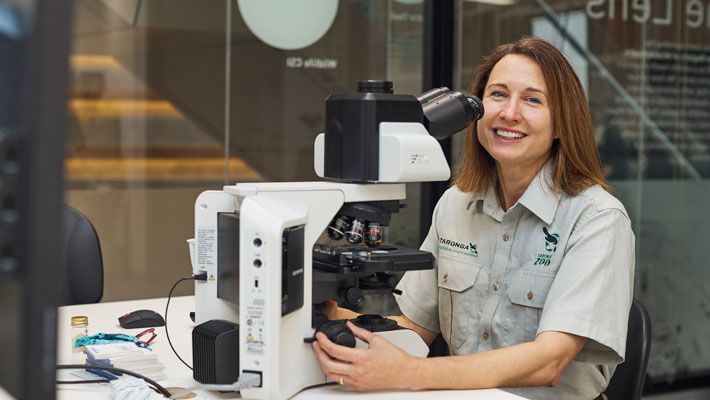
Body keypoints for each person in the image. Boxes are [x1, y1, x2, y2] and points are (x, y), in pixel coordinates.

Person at [311, 36, 635, 400]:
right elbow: (416, 329)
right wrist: (329, 318)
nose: (509, 113)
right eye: (498, 94)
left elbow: (549, 363)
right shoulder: (455, 204)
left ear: (561, 124)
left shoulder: (597, 219)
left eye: (532, 99)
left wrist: (412, 372)